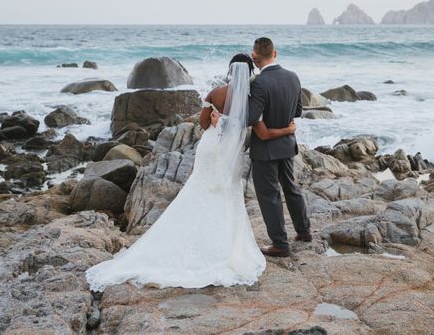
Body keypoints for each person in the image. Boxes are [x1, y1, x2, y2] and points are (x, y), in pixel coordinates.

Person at [85, 56, 295, 291]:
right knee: (226, 194)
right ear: (249, 74)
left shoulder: (216, 93)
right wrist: (286, 129)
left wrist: (219, 121)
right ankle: (219, 247)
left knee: (198, 190)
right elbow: (258, 130)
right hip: (230, 153)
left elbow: (204, 123)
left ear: (230, 71)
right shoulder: (251, 100)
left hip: (210, 148)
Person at [248, 37, 311, 258]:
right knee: (291, 187)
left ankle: (280, 244)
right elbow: (298, 112)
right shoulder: (293, 77)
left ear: (254, 57)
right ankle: (304, 231)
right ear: (275, 54)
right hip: (286, 144)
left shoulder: (258, 83)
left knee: (269, 195)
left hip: (265, 148)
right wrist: (284, 127)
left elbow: (251, 117)